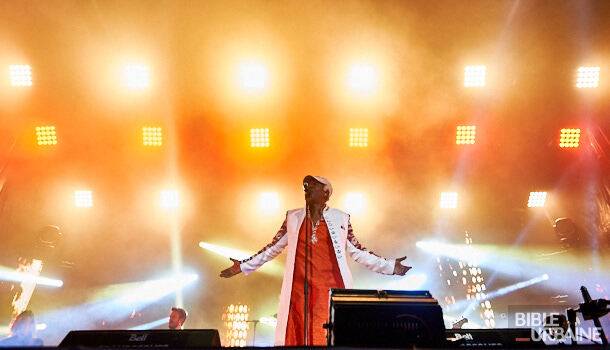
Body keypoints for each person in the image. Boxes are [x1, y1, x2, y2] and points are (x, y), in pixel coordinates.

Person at [220, 175, 411, 346]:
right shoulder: (293, 217)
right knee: (297, 333)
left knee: (331, 334)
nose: (308, 188)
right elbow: (273, 247)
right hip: (299, 291)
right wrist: (244, 265)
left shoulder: (341, 218)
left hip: (330, 289)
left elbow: (358, 251)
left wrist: (390, 266)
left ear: (326, 193)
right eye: (306, 185)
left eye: (313, 185)